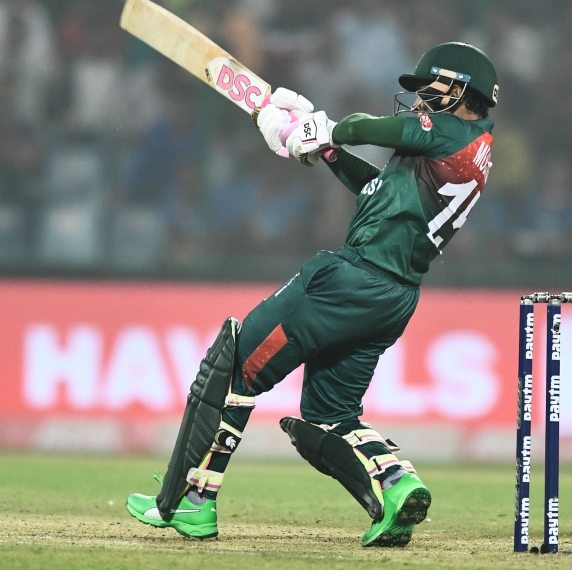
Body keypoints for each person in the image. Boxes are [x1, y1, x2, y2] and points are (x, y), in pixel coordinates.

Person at [126, 43, 498, 548]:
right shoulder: (468, 151)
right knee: (332, 414)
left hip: (351, 279)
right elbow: (375, 190)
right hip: (395, 298)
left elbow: (368, 126)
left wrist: (324, 127)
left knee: (234, 365)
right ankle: (396, 485)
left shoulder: (452, 130)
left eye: (428, 91)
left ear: (458, 90)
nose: (418, 103)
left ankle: (191, 501)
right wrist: (324, 148)